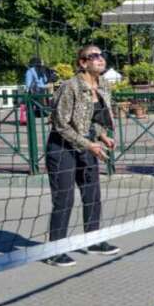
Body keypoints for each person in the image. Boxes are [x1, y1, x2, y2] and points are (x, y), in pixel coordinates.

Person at [43, 45, 118, 267]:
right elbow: (61, 124)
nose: (100, 59)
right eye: (94, 56)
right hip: (62, 148)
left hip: (86, 146)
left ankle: (93, 241)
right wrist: (89, 144)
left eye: (101, 55)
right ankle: (54, 250)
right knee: (64, 199)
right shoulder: (70, 86)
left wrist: (102, 136)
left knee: (92, 194)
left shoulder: (103, 85)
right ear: (83, 63)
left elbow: (92, 119)